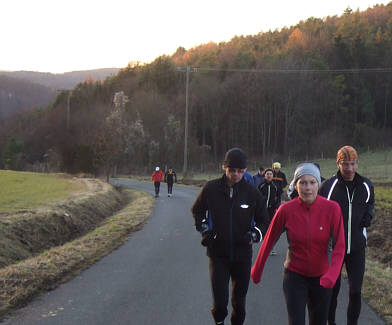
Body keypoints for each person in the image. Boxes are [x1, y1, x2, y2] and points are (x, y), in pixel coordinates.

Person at [251, 163, 345, 325]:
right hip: (294, 276)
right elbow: (269, 240)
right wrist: (257, 269)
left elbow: (340, 245)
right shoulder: (286, 210)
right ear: (295, 185)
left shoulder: (332, 209)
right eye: (302, 182)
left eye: (312, 182)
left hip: (322, 278)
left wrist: (333, 273)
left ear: (318, 184)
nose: (307, 187)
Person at [191, 147, 267, 325]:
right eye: (232, 170)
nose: (236, 174)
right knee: (220, 303)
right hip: (218, 254)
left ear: (245, 171)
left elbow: (264, 219)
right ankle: (219, 321)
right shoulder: (210, 189)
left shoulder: (252, 192)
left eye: (240, 171)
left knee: (239, 303)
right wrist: (205, 230)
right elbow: (198, 211)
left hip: (242, 255)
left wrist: (255, 234)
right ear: (224, 168)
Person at [319, 146, 374, 325]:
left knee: (356, 292)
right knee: (332, 290)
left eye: (352, 164)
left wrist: (368, 217)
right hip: (334, 248)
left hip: (357, 248)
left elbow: (369, 204)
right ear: (338, 164)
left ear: (357, 164)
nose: (349, 168)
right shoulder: (328, 186)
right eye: (345, 164)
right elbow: (319, 211)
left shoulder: (366, 185)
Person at [257, 168, 279, 255]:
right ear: (264, 175)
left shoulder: (275, 186)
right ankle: (264, 246)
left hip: (271, 210)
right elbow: (257, 197)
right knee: (264, 229)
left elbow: (278, 197)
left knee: (271, 229)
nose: (269, 175)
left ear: (273, 176)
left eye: (270, 174)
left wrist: (276, 206)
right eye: (267, 174)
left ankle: (270, 247)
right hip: (262, 210)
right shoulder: (261, 185)